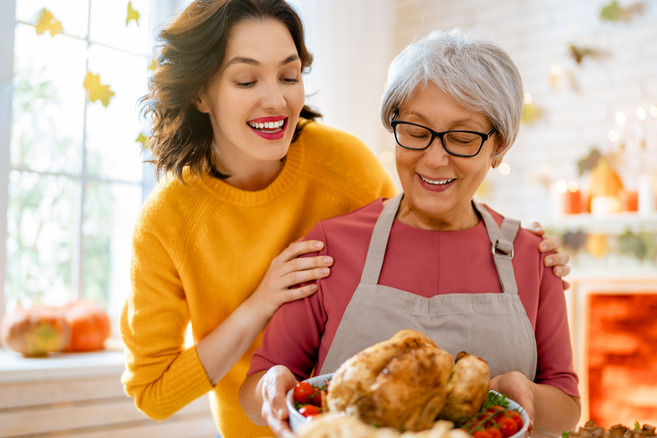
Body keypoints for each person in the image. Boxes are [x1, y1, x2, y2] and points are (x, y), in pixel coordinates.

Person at [120, 1, 572, 437]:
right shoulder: (171, 221)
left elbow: (421, 216)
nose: (274, 99)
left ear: (499, 147)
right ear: (200, 92)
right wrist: (260, 305)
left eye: (289, 75)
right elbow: (158, 392)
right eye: (245, 80)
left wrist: (522, 250)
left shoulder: (341, 164)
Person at [239, 29, 581, 438]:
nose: (435, 159)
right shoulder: (332, 245)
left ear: (499, 146)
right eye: (416, 132)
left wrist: (521, 392)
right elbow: (259, 387)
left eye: (463, 138)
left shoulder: (532, 255)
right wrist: (271, 383)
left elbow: (566, 407)